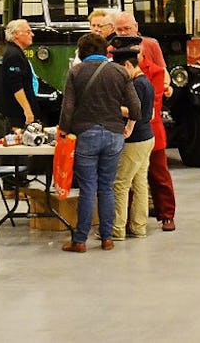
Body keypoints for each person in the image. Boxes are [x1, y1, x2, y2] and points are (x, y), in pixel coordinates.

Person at [60, 33, 141, 253]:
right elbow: (136, 108)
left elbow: (67, 109)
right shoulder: (119, 71)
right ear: (105, 51)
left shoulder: (75, 72)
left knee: (88, 188)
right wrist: (128, 127)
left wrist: (63, 132)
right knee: (106, 187)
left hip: (86, 134)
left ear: (81, 52)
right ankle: (107, 238)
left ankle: (79, 241)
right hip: (114, 135)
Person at [113, 11, 177, 227]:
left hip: (149, 127)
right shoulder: (111, 50)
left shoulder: (152, 54)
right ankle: (130, 219)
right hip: (126, 128)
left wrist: (167, 87)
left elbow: (158, 89)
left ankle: (167, 214)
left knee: (158, 174)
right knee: (128, 177)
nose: (123, 34)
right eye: (119, 30)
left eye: (126, 29)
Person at [110, 42, 155, 240]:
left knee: (120, 184)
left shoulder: (135, 84)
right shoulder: (146, 82)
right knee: (139, 183)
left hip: (134, 140)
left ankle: (117, 229)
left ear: (128, 65)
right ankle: (138, 226)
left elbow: (135, 111)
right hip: (147, 138)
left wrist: (112, 106)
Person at [0, 19, 40, 130]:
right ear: (16, 34)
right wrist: (28, 110)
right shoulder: (14, 55)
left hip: (16, 113)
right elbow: (16, 86)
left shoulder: (13, 52)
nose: (32, 35)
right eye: (28, 32)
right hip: (18, 115)